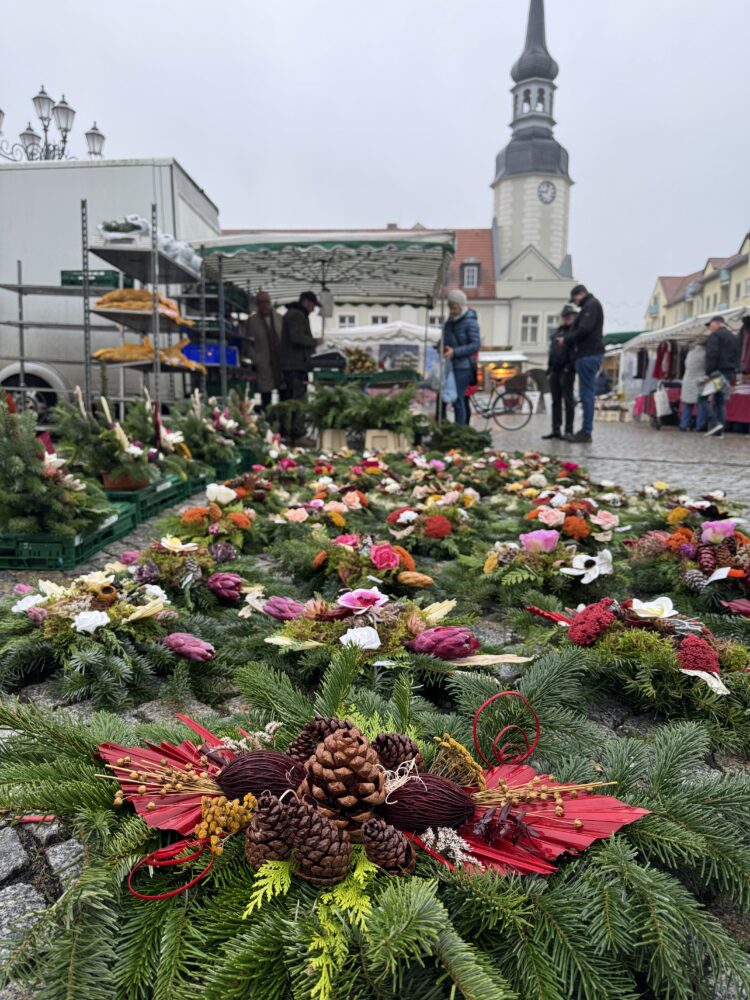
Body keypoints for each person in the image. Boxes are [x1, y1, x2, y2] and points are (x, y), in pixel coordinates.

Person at [561, 283, 604, 443]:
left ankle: (586, 431)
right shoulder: (590, 306)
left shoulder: (591, 306)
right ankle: (585, 430)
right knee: (586, 393)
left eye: (575, 300)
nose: (575, 303)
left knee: (586, 394)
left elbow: (584, 329)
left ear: (580, 294)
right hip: (588, 354)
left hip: (588, 353)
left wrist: (567, 339)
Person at [280, 290, 320, 445]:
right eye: (312, 305)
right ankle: (298, 435)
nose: (313, 309)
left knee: (293, 400)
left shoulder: (292, 313)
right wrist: (314, 342)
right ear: (306, 302)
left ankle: (290, 434)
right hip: (295, 365)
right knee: (299, 400)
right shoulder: (296, 315)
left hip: (293, 365)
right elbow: (296, 337)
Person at [442, 289, 481, 425]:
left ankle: (460, 433)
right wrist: (441, 347)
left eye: (454, 307)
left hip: (463, 367)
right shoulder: (449, 322)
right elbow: (444, 339)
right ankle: (446, 429)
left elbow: (475, 344)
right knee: (445, 399)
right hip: (449, 366)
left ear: (461, 305)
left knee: (458, 400)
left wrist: (455, 352)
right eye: (450, 307)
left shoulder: (470, 322)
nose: (452, 311)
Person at [243, 290, 282, 411]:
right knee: (266, 396)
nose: (265, 305)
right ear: (257, 304)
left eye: (267, 302)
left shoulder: (279, 318)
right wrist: (255, 358)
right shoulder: (252, 322)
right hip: (263, 362)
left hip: (280, 362)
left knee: (283, 392)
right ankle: (268, 420)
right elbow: (248, 343)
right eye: (261, 302)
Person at [542, 304, 577, 440]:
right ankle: (556, 429)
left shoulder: (574, 333)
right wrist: (550, 368)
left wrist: (570, 366)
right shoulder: (556, 333)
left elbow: (575, 352)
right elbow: (552, 351)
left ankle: (569, 430)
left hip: (567, 369)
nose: (567, 318)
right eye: (565, 316)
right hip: (555, 369)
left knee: (568, 400)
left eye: (570, 316)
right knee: (555, 401)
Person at [702, 315, 740, 438]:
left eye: (710, 325)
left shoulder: (715, 336)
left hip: (717, 373)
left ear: (716, 323)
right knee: (720, 401)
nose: (710, 328)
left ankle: (715, 423)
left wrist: (708, 373)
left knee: (702, 398)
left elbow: (712, 355)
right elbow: (737, 356)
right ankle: (719, 431)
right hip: (729, 372)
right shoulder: (734, 337)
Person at [678, 337, 708, 432]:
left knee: (687, 404)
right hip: (699, 381)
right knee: (701, 404)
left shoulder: (690, 353)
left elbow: (686, 365)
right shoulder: (705, 354)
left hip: (687, 380)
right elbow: (707, 367)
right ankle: (699, 426)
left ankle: (683, 425)